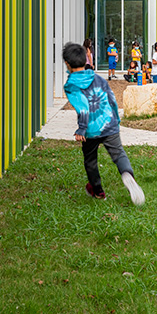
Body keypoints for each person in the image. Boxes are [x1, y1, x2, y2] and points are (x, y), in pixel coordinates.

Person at [62, 42, 145, 205]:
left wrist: (82, 129)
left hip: (91, 130)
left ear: (67, 63)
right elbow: (112, 99)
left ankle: (98, 191)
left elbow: (83, 107)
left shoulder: (71, 85)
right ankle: (127, 175)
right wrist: (116, 118)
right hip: (109, 123)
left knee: (91, 160)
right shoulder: (97, 77)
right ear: (86, 59)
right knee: (118, 154)